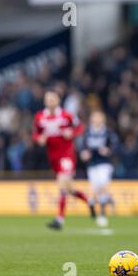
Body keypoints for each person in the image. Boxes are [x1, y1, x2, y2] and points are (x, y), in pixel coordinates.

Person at [32, 87, 92, 230]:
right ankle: (89, 201)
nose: (50, 101)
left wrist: (72, 133)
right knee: (69, 189)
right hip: (53, 156)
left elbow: (81, 127)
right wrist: (39, 139)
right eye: (48, 99)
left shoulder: (67, 115)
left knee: (62, 183)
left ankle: (59, 219)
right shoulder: (40, 117)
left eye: (53, 99)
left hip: (67, 154)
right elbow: (36, 133)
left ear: (58, 100)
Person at [80, 111, 118, 227]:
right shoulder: (88, 133)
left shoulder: (107, 132)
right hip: (92, 164)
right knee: (95, 187)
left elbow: (115, 146)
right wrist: (84, 154)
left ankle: (102, 213)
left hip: (104, 163)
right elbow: (82, 147)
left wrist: (108, 151)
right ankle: (92, 204)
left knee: (103, 185)